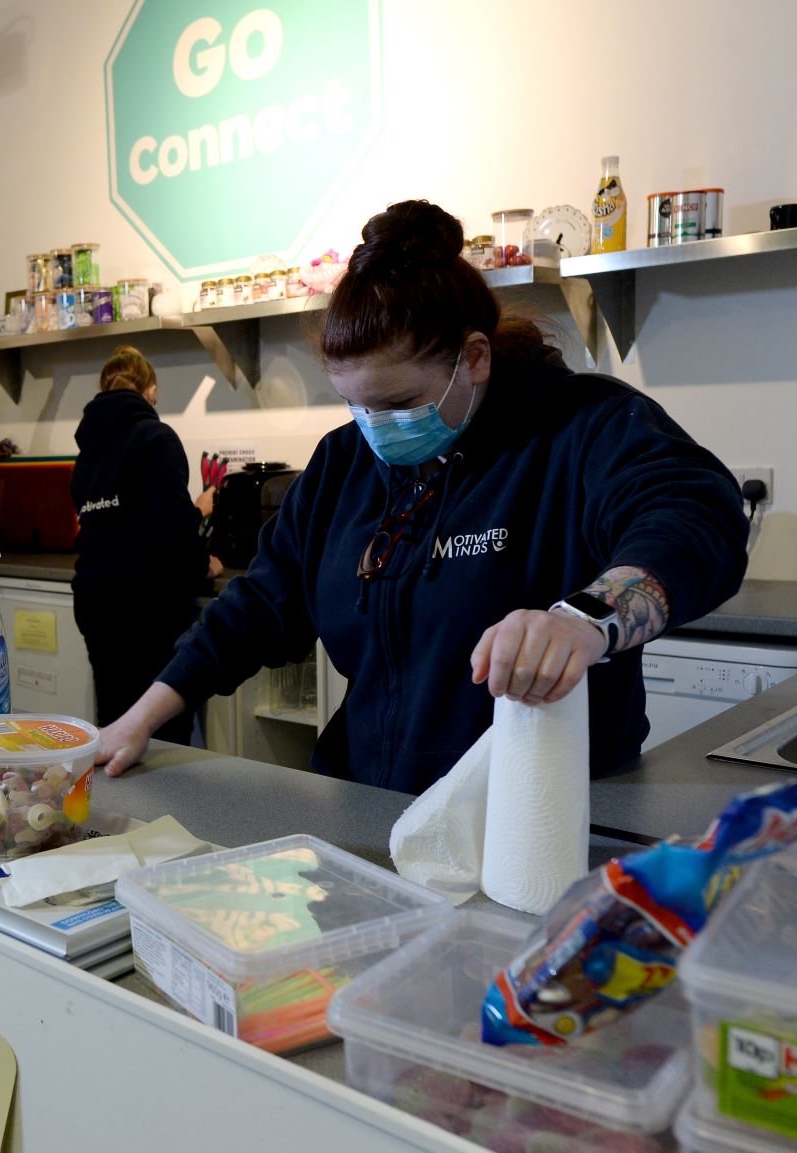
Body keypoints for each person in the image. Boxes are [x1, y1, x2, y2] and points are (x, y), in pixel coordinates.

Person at [97, 200, 748, 790]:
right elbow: (259, 604)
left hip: (541, 817)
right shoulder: (342, 464)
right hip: (369, 804)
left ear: (473, 359)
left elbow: (693, 517)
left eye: (398, 403)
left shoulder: (579, 429)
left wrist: (583, 618)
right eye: (354, 405)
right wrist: (143, 716)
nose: (376, 428)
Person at [71, 347, 221, 745]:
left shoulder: (87, 451)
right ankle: (168, 810)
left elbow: (111, 520)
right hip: (150, 607)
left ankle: (120, 807)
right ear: (150, 389)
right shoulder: (156, 437)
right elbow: (172, 530)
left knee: (114, 722)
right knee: (164, 732)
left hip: (96, 603)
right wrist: (203, 563)